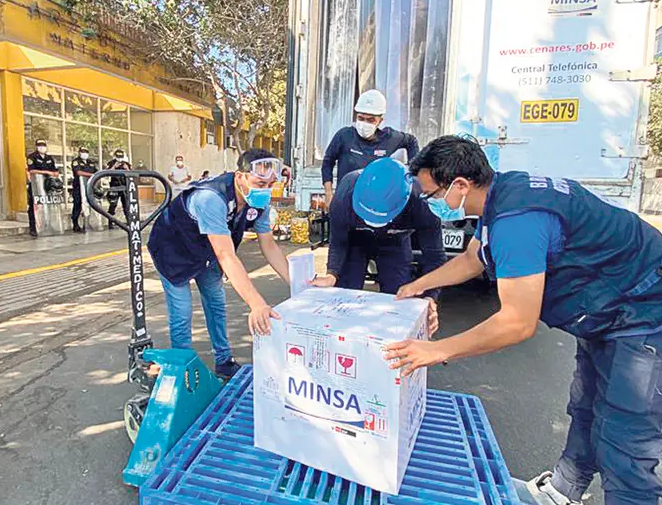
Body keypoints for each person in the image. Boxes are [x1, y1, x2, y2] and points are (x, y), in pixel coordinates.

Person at [385, 136, 662, 505]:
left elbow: (516, 322)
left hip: (661, 317)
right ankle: (562, 493)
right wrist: (419, 284)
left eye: (431, 195)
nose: (431, 204)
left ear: (460, 185)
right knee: (586, 406)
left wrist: (437, 349)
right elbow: (474, 259)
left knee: (624, 443)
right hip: (613, 313)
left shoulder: (518, 222)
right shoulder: (502, 193)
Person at [147, 148, 290, 378]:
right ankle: (183, 367)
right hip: (174, 251)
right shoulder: (211, 198)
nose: (265, 190)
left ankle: (223, 360)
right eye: (260, 184)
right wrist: (256, 303)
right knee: (182, 312)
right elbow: (226, 255)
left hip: (207, 251)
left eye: (270, 184)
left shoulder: (258, 202)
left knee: (216, 303)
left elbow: (269, 245)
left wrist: (298, 283)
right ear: (240, 176)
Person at [309, 156, 444, 331]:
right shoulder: (344, 195)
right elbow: (338, 241)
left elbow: (434, 256)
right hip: (355, 241)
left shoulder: (423, 201)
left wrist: (430, 297)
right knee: (345, 295)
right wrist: (331, 274)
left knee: (400, 298)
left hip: (395, 242)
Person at [321, 89, 419, 207]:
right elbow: (327, 163)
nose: (364, 123)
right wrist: (328, 193)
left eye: (371, 120)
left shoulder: (389, 138)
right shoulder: (344, 136)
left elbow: (411, 141)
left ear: (380, 121)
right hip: (345, 200)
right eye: (361, 118)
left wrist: (412, 173)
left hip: (375, 202)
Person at [26, 139, 60, 237]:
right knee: (34, 206)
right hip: (36, 186)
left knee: (48, 206)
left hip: (47, 185)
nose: (42, 147)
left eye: (43, 145)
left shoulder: (49, 158)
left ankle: (48, 225)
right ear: (36, 146)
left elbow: (55, 170)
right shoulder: (32, 157)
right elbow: (32, 171)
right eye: (40, 145)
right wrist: (47, 172)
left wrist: (54, 174)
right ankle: (33, 228)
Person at [69, 146, 97, 233]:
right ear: (79, 153)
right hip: (78, 187)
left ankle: (87, 223)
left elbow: (96, 172)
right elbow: (78, 172)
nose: (84, 154)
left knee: (88, 204)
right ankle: (75, 224)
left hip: (88, 187)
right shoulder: (76, 161)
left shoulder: (90, 162)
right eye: (82, 152)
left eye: (86, 152)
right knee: (77, 204)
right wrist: (91, 175)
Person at [105, 148, 132, 227]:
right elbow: (106, 173)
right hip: (114, 186)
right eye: (118, 156)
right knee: (113, 205)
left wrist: (127, 168)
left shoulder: (126, 164)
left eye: (121, 157)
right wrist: (114, 167)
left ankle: (129, 221)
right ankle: (110, 222)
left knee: (126, 205)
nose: (119, 158)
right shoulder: (111, 163)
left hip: (124, 186)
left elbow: (132, 174)